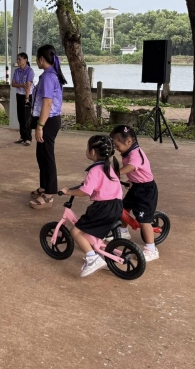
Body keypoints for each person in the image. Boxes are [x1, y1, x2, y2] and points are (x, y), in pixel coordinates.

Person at [59, 135, 124, 278]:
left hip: (102, 208)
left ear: (93, 152)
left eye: (87, 148)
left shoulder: (94, 170)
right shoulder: (110, 167)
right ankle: (104, 255)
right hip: (117, 206)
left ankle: (92, 258)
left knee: (76, 231)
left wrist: (68, 192)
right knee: (95, 230)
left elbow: (84, 192)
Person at [111, 125, 160, 262]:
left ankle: (151, 249)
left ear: (128, 142)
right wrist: (131, 180)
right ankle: (123, 231)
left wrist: (116, 173)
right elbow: (136, 172)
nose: (116, 148)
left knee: (144, 221)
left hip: (146, 190)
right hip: (136, 186)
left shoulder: (135, 153)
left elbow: (132, 166)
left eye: (117, 145)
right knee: (123, 208)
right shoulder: (127, 152)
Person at [29, 44, 68, 209]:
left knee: (47, 157)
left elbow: (47, 103)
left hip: (48, 121)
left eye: (36, 58)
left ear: (41, 59)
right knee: (41, 155)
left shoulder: (48, 77)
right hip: (49, 120)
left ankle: (49, 194)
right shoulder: (51, 74)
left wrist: (40, 126)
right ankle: (44, 186)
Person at [12, 52, 35, 146]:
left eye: (20, 59)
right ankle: (22, 136)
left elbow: (28, 86)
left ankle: (28, 138)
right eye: (17, 59)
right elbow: (13, 84)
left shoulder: (29, 71)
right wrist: (21, 85)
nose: (18, 61)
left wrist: (27, 98)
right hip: (19, 95)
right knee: (20, 117)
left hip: (27, 95)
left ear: (25, 60)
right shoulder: (17, 71)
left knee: (26, 117)